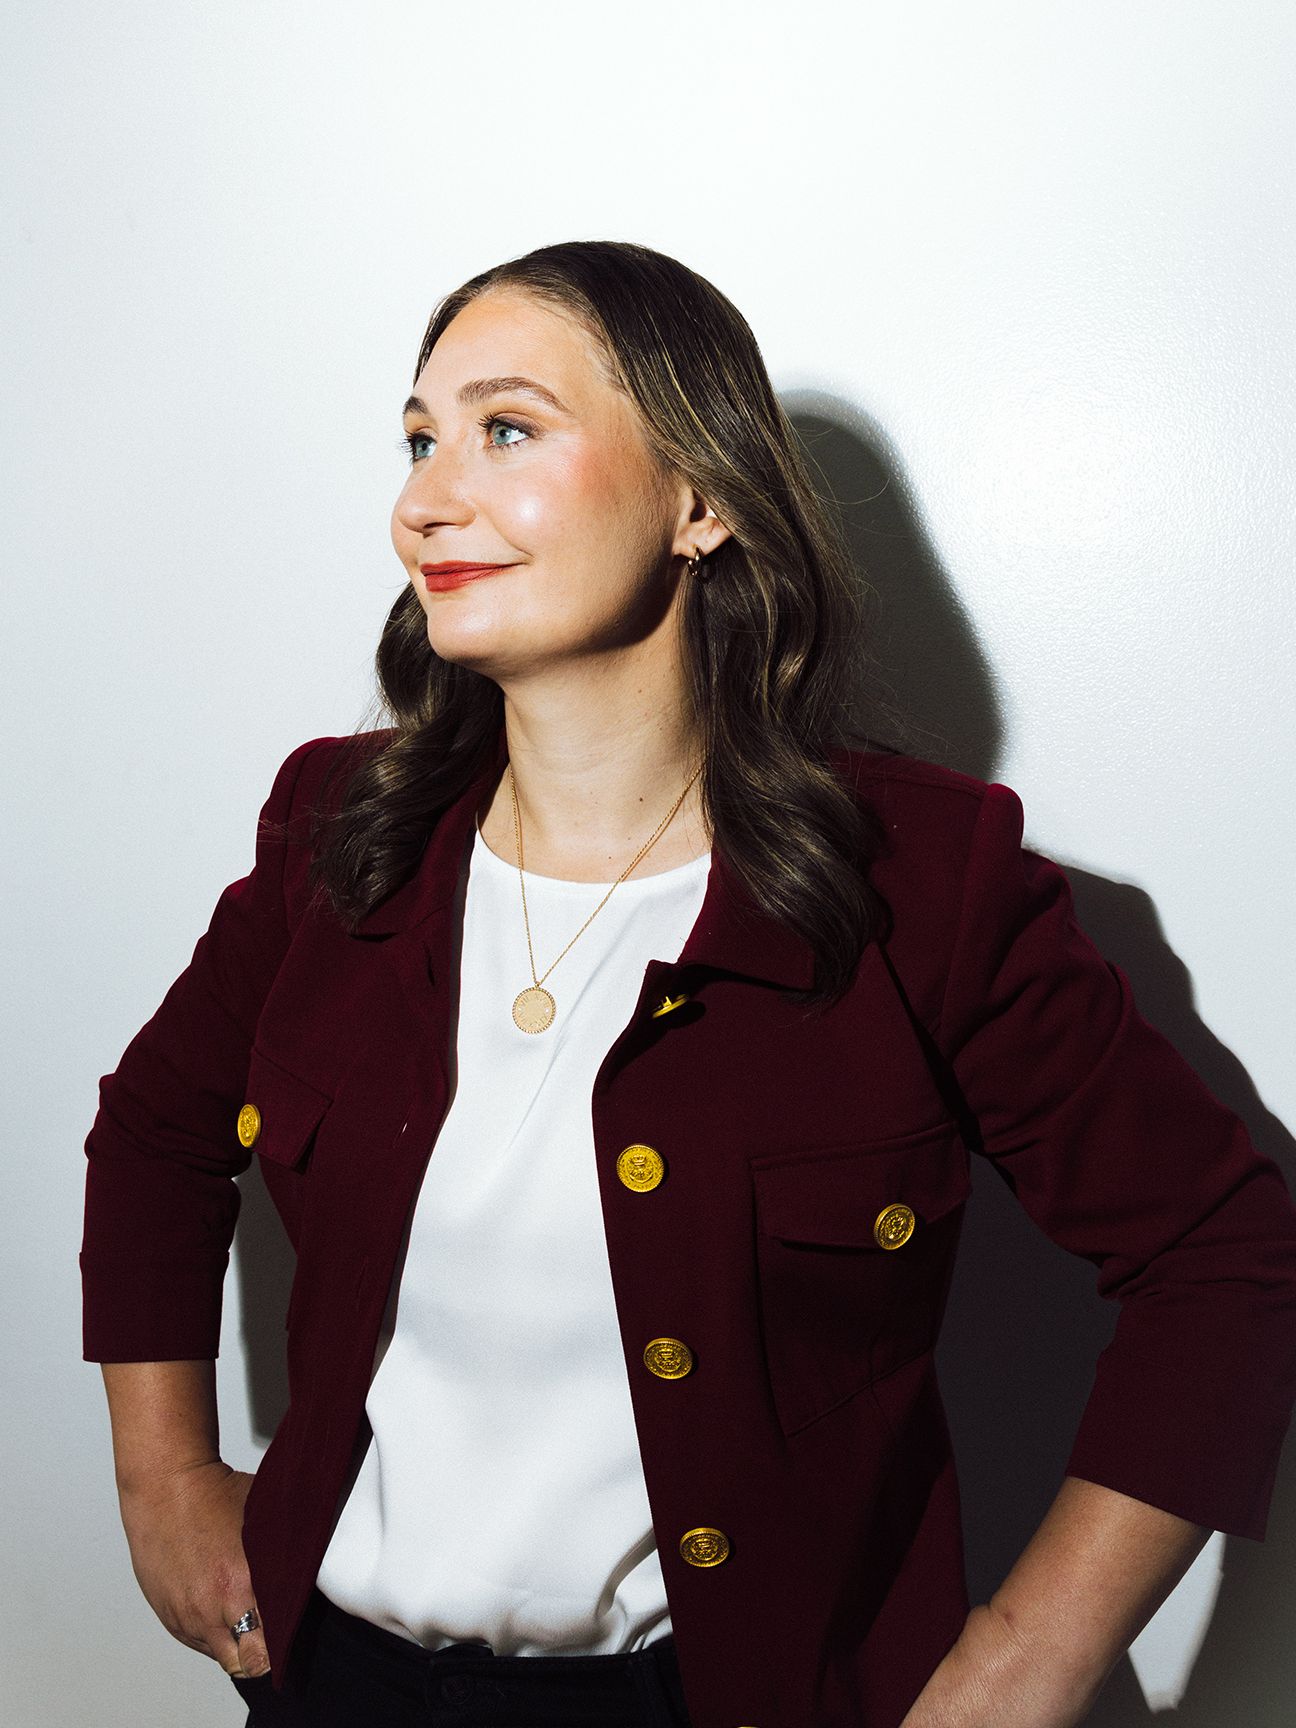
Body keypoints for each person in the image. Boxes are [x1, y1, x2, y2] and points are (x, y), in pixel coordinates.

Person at [81, 239, 1296, 1728]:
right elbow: (155, 1133)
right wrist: (161, 1479)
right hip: (338, 1684)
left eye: (506, 429)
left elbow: (1225, 1259)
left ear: (700, 499)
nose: (425, 501)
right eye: (418, 439)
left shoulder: (925, 888)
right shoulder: (339, 839)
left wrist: (1027, 1660)